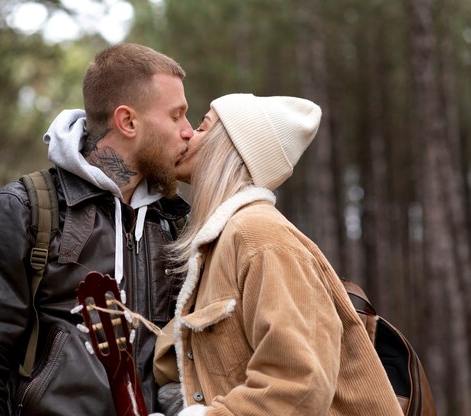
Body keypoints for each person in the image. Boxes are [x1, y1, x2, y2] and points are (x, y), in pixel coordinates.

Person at [0, 43, 194, 415]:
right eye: (176, 116)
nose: (188, 131)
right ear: (128, 121)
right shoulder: (24, 210)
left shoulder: (171, 224)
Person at [154, 93, 404, 415]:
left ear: (230, 147)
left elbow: (299, 384)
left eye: (203, 127)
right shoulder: (225, 240)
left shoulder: (259, 236)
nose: (189, 133)